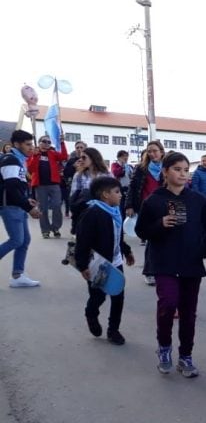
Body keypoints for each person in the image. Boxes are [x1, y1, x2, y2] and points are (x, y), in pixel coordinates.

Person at [135, 151, 206, 377]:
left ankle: (186, 356)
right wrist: (160, 224)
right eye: (177, 169)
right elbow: (141, 231)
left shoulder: (199, 201)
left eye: (185, 170)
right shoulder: (154, 200)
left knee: (188, 312)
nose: (182, 174)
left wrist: (203, 251)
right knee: (168, 305)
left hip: (191, 264)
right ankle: (164, 348)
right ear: (165, 171)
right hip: (164, 262)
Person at [74, 176, 135, 345]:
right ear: (105, 195)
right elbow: (83, 241)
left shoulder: (115, 211)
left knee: (118, 295)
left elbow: (117, 237)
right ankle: (91, 313)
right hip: (98, 264)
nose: (121, 195)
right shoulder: (92, 213)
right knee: (98, 296)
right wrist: (82, 266)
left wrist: (127, 251)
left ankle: (113, 330)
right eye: (116, 192)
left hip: (115, 262)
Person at [0, 130, 42, 287]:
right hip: (11, 206)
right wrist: (28, 207)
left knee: (24, 240)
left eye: (32, 144)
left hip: (17, 205)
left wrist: (26, 200)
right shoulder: (10, 159)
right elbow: (11, 187)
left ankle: (18, 276)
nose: (31, 148)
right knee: (16, 240)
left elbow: (16, 186)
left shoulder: (18, 160)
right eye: (28, 144)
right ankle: (17, 276)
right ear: (17, 144)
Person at [126, 141, 165, 285]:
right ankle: (149, 272)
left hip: (163, 208)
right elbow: (132, 187)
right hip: (146, 208)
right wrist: (129, 205)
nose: (152, 154)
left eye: (155, 151)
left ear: (161, 151)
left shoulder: (167, 168)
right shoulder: (141, 168)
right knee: (152, 240)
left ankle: (164, 270)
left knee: (165, 240)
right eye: (149, 151)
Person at [27, 133, 68, 238]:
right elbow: (30, 169)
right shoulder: (34, 154)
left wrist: (62, 142)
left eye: (49, 142)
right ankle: (45, 230)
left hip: (54, 184)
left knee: (57, 206)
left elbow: (64, 156)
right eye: (44, 141)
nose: (47, 144)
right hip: (40, 185)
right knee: (43, 208)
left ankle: (55, 228)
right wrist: (35, 155)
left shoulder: (53, 153)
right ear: (39, 143)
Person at [70, 148, 110, 235]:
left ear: (93, 158)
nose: (81, 160)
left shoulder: (107, 175)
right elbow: (74, 195)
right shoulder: (79, 175)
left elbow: (112, 193)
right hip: (84, 213)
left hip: (103, 212)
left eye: (84, 157)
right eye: (80, 157)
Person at [62, 141, 86, 218]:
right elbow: (66, 173)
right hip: (74, 186)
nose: (79, 149)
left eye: (81, 147)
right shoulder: (72, 160)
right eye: (77, 148)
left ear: (85, 148)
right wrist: (73, 166)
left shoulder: (89, 159)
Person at [110, 150, 134, 218]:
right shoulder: (115, 165)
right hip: (120, 189)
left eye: (126, 156)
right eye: (123, 156)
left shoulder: (130, 167)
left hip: (129, 189)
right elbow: (116, 173)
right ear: (118, 157)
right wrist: (123, 166)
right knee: (120, 207)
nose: (125, 158)